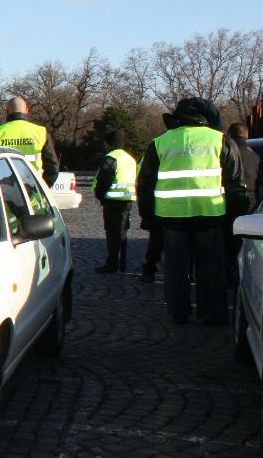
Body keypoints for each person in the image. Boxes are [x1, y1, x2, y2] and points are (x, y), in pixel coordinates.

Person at [137, 97, 247, 325]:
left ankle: (178, 312)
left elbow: (146, 185)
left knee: (175, 267)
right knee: (211, 267)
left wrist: (148, 219)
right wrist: (235, 220)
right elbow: (235, 184)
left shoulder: (159, 142)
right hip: (210, 215)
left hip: (172, 218)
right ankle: (213, 313)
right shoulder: (221, 140)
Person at [0, 96, 60, 186]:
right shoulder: (41, 133)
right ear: (27, 110)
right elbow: (53, 168)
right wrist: (41, 189)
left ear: (7, 112)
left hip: (4, 193)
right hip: (34, 193)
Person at [139, 112, 177, 283]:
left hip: (162, 207)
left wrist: (146, 214)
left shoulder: (159, 144)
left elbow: (145, 183)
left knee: (156, 243)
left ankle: (149, 270)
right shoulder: (214, 140)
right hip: (200, 209)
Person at [92, 130, 136, 273]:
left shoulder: (110, 158)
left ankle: (112, 265)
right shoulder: (130, 159)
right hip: (127, 200)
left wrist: (100, 195)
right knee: (122, 233)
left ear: (109, 144)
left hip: (112, 201)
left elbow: (104, 180)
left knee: (112, 234)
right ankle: (121, 263)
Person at [225, 122, 259, 285]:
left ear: (230, 135)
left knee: (226, 241)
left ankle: (228, 272)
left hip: (226, 202)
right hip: (251, 205)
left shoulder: (225, 152)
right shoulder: (255, 156)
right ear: (246, 136)